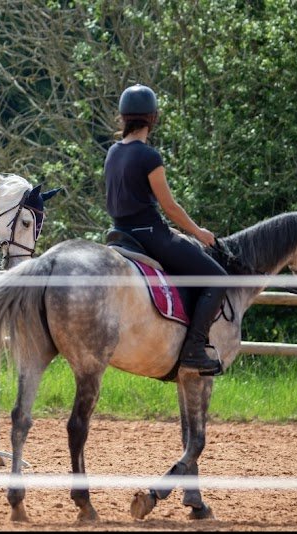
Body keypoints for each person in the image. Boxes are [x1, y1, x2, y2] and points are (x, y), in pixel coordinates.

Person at [104, 84, 225, 376]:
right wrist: (199, 232)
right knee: (219, 279)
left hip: (119, 233)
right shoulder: (149, 156)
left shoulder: (112, 152)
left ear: (123, 117)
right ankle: (195, 349)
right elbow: (169, 206)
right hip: (150, 234)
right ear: (153, 118)